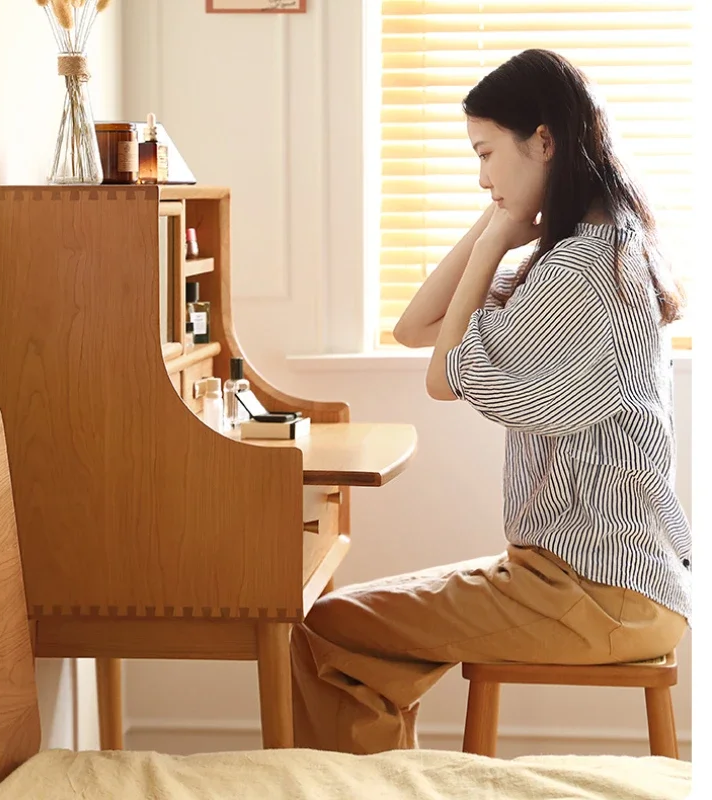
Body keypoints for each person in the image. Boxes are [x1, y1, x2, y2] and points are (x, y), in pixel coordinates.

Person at [290, 48, 691, 755]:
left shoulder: (578, 272)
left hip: (594, 591)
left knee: (328, 628)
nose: (481, 178)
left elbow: (441, 376)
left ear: (543, 141)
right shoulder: (600, 245)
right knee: (346, 622)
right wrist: (494, 225)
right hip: (594, 578)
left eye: (485, 155)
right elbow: (415, 328)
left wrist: (496, 241)